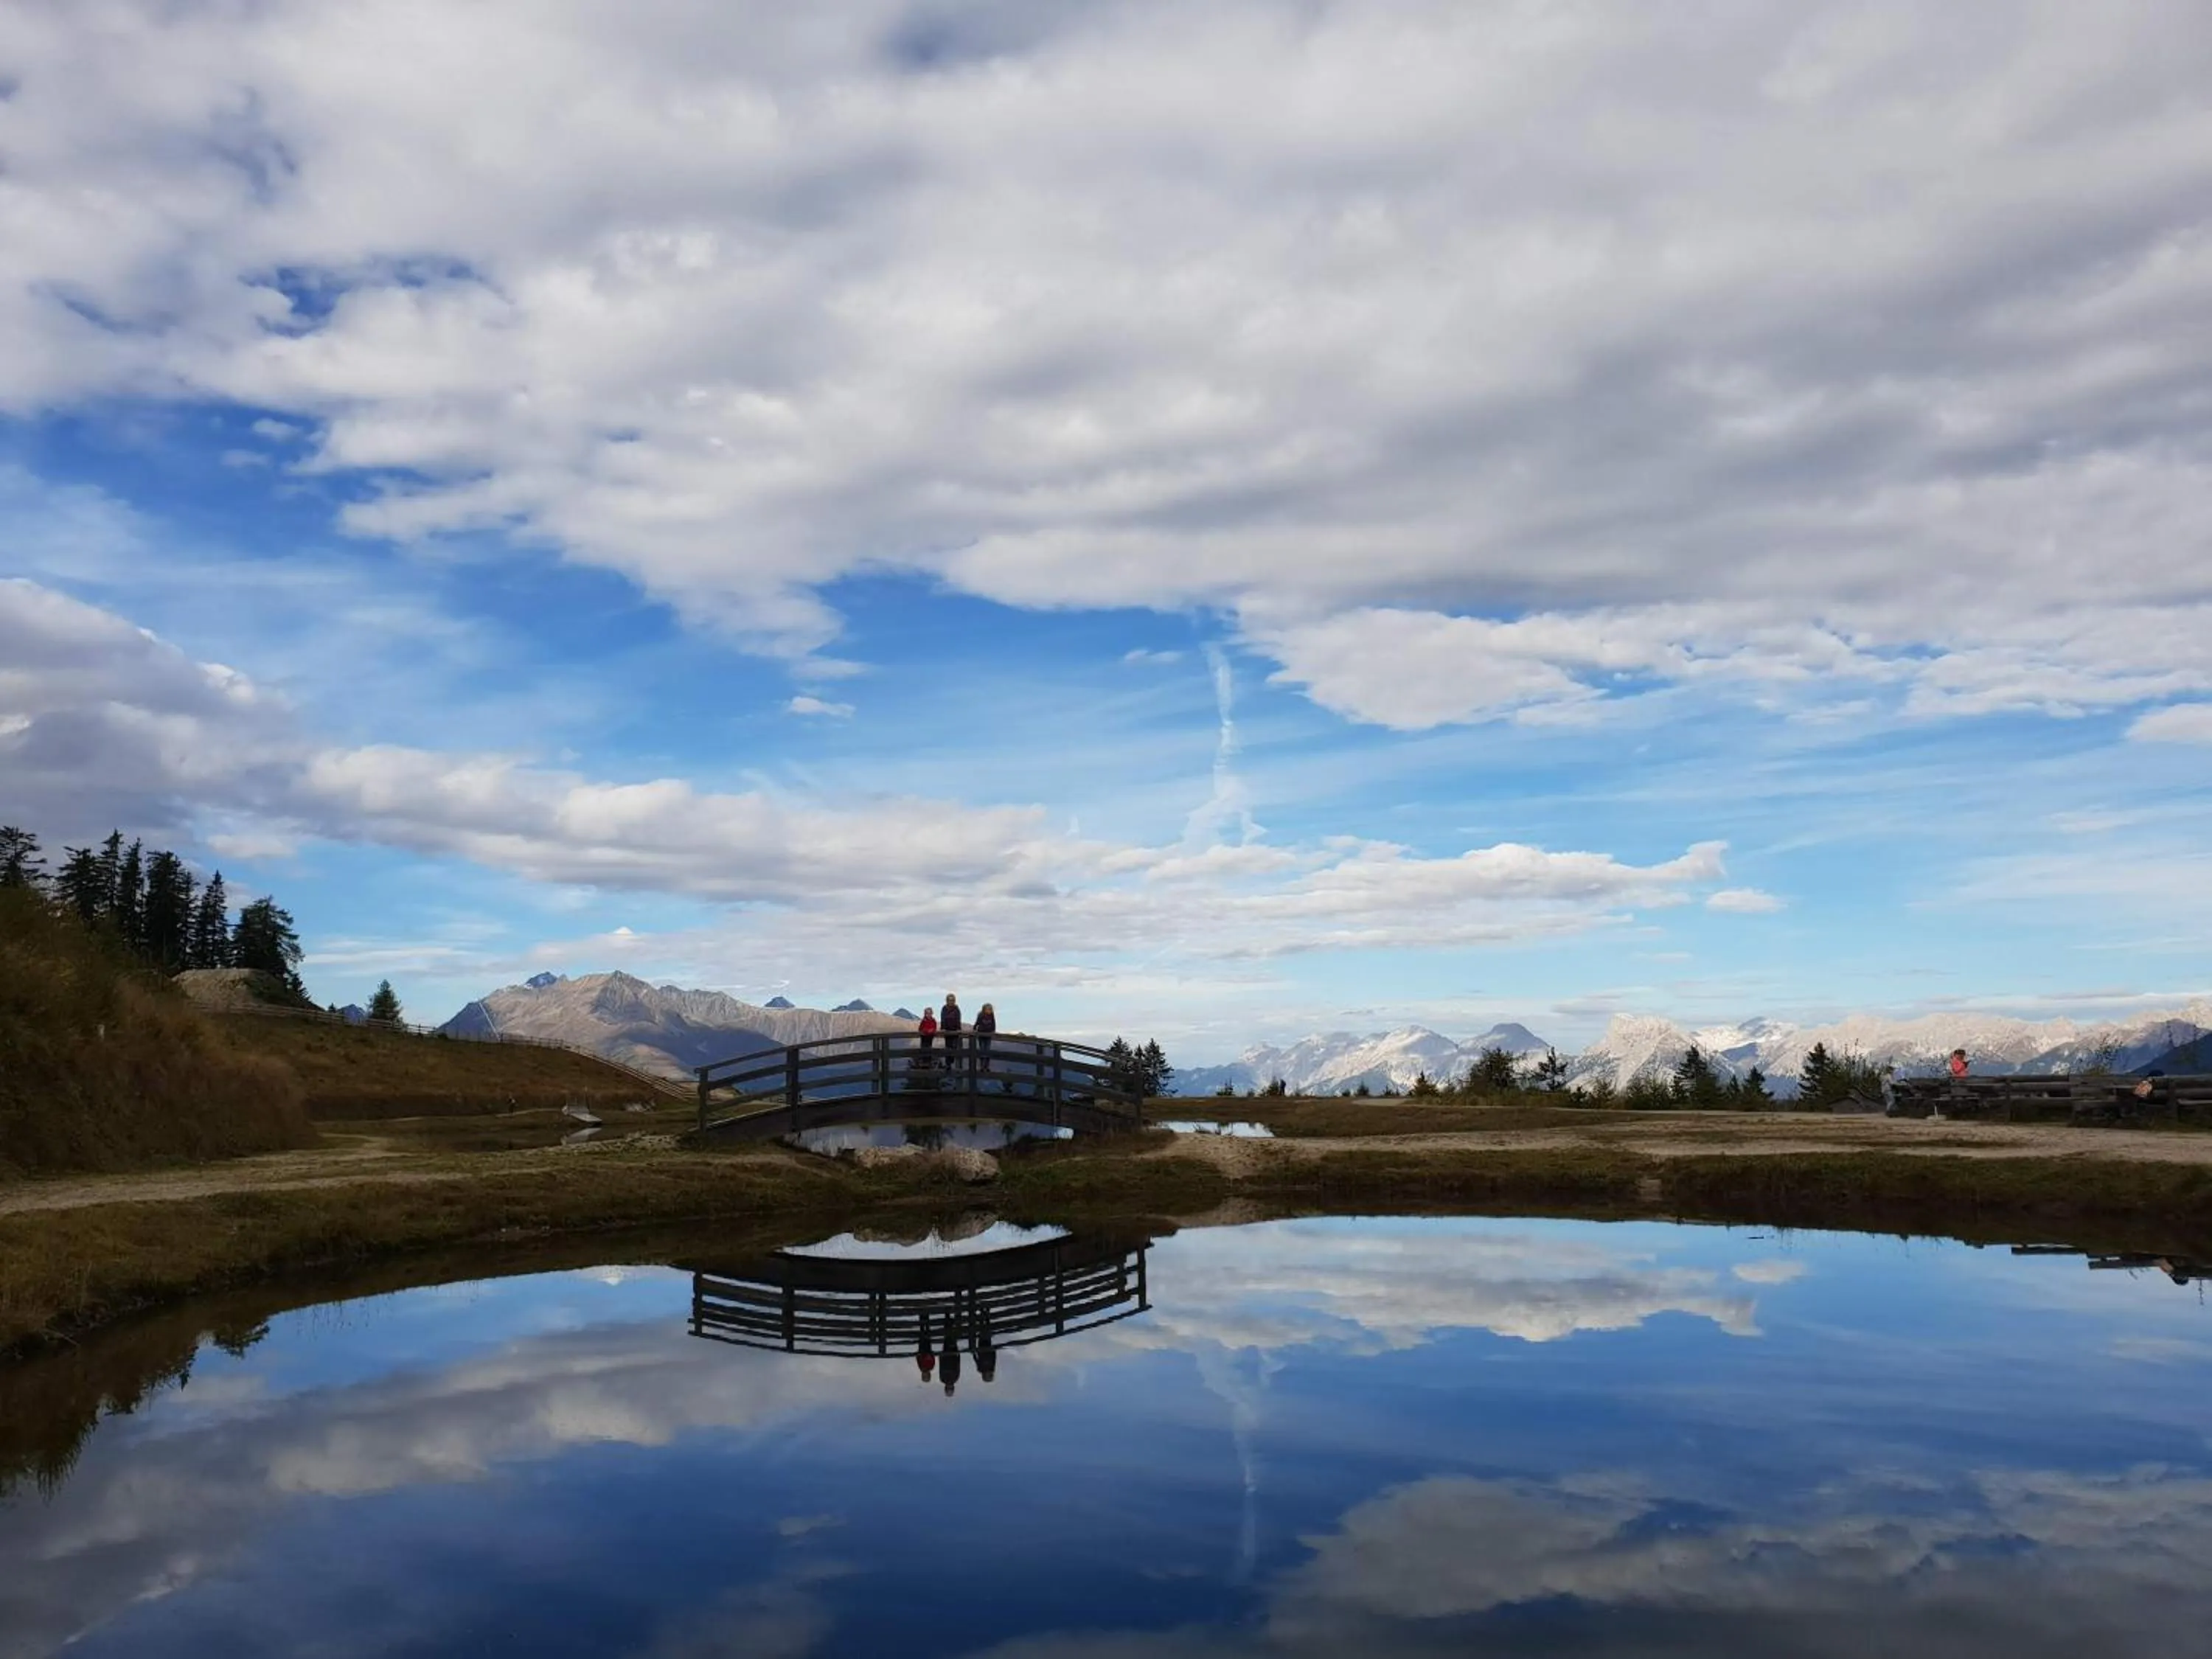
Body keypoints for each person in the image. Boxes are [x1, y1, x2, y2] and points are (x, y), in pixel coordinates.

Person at [940, 993, 963, 1077]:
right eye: (949, 1000)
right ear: (947, 1001)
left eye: (952, 1000)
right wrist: (943, 1028)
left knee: (954, 1047)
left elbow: (958, 1019)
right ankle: (948, 1065)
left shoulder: (957, 1009)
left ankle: (951, 1061)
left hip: (955, 1030)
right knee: (948, 1047)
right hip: (947, 1031)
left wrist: (959, 1028)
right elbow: (943, 1018)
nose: (951, 1002)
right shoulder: (944, 1009)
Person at [975, 1001, 997, 1077]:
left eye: (990, 1009)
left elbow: (993, 1023)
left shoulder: (992, 1016)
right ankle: (981, 1066)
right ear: (984, 1010)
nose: (989, 1011)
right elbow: (977, 1023)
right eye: (987, 1009)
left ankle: (986, 1067)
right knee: (982, 1050)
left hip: (988, 1035)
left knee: (987, 1051)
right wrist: (975, 1029)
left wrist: (993, 1030)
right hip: (981, 1035)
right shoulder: (981, 1015)